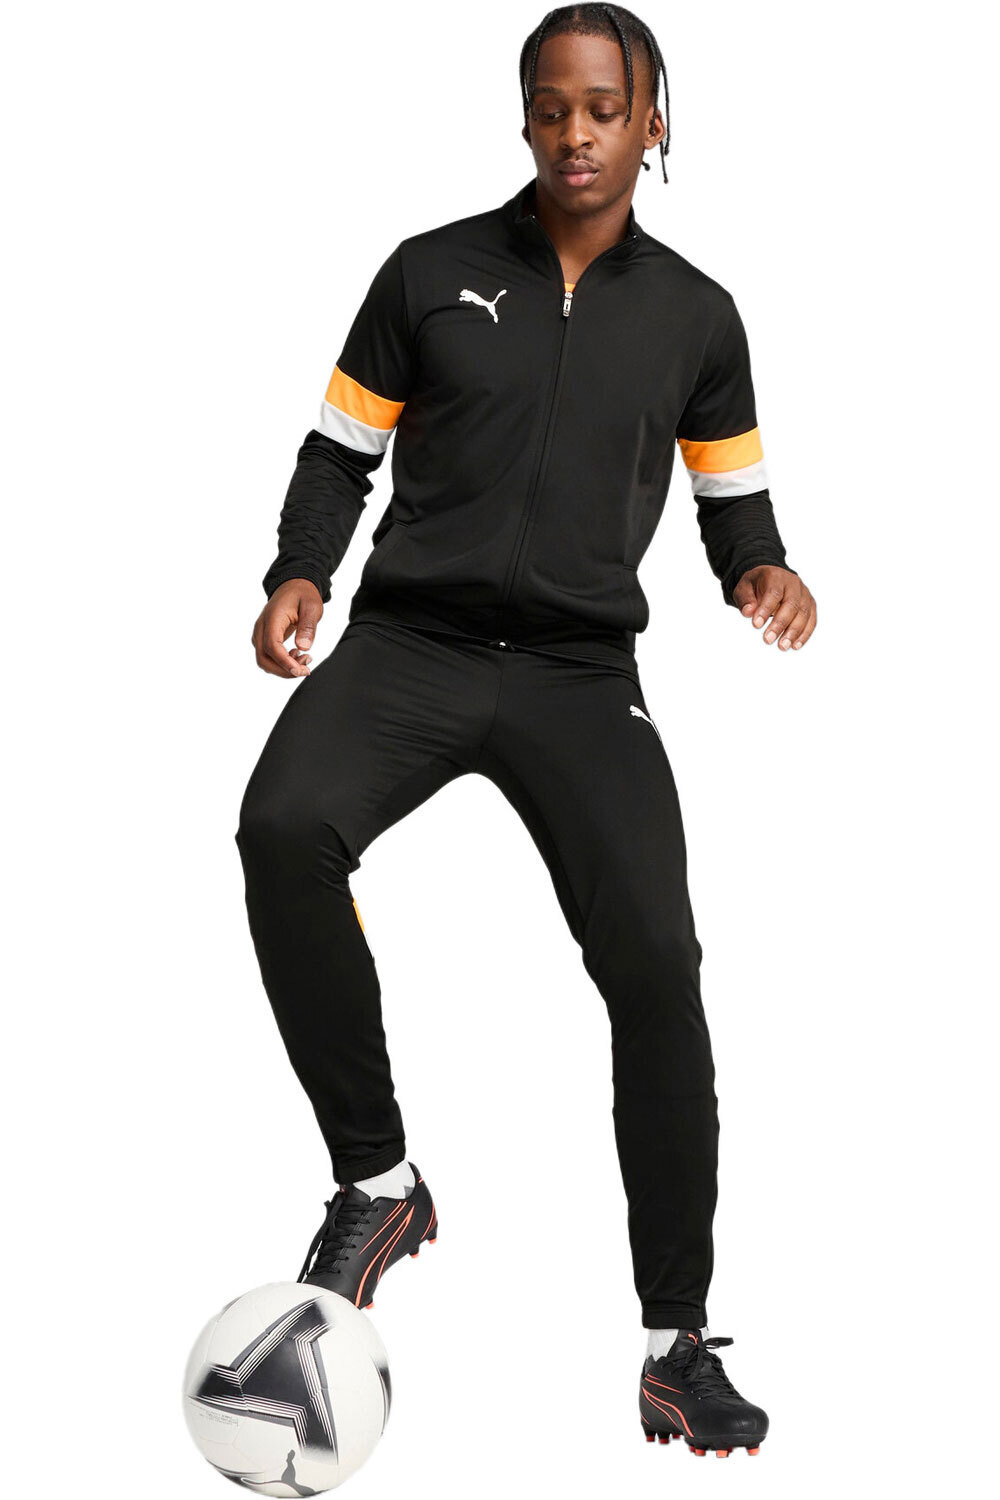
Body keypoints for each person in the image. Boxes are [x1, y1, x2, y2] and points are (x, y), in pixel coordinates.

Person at [235, 3, 815, 1459]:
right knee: (282, 825)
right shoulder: (428, 272)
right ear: (525, 120)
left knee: (658, 964)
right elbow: (339, 452)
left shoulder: (697, 316)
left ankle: (677, 1345)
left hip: (576, 673)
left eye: (606, 108)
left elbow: (733, 505)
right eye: (553, 107)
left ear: (654, 124)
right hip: (410, 647)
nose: (577, 133)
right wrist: (300, 572)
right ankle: (379, 1186)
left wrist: (765, 573)